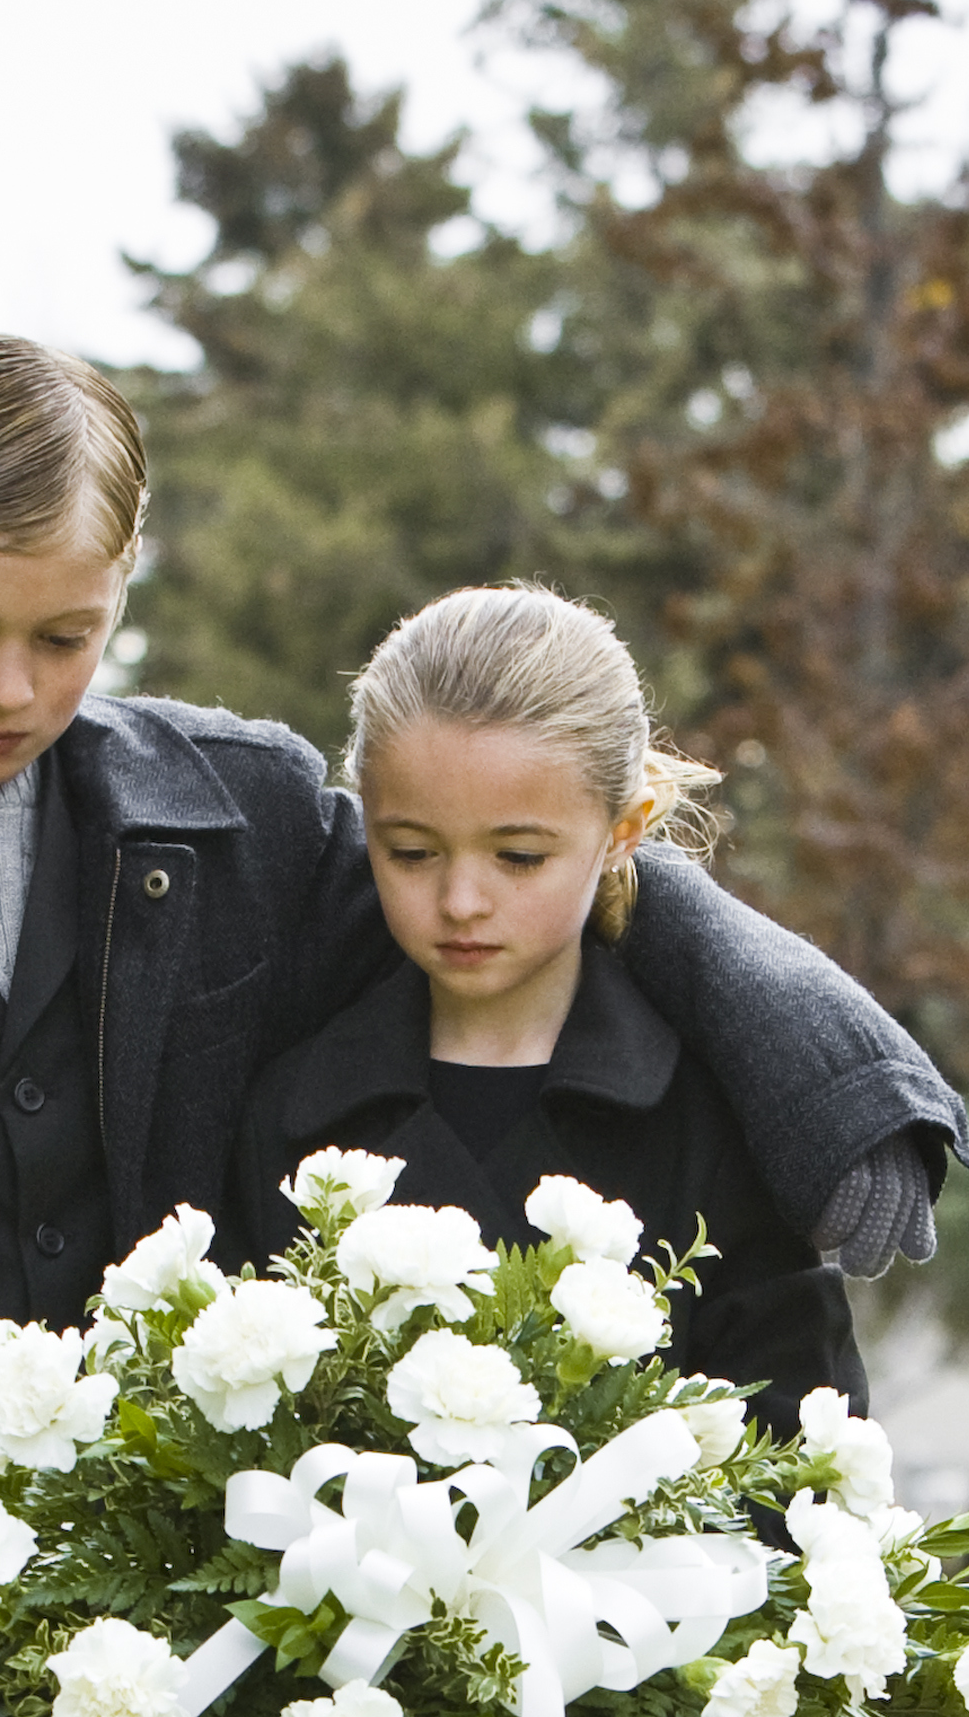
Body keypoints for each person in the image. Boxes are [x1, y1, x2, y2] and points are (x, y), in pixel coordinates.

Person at [0, 337, 960, 1592]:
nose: (11, 686)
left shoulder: (236, 822)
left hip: (178, 1677)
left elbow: (534, 872)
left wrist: (824, 1070)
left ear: (123, 586)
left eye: (68, 635)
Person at [236, 583, 864, 1428]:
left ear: (624, 830)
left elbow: (797, 1459)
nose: (462, 898)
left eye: (519, 857)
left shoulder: (713, 1123)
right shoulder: (287, 1111)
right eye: (412, 851)